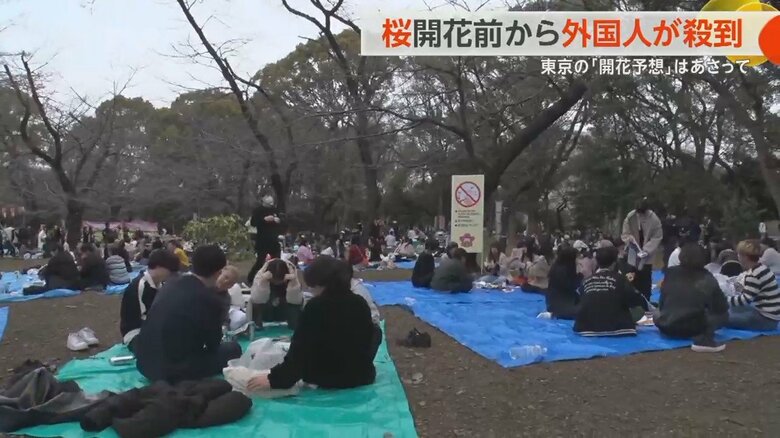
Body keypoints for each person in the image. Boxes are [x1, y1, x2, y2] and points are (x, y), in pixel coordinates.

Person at [246, 256, 377, 391]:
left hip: (328, 378)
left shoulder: (316, 307)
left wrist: (274, 380)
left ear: (321, 284)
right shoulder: (359, 302)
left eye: (312, 286)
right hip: (362, 375)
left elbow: (299, 353)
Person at [135, 245, 242, 383]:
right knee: (233, 349)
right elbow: (213, 344)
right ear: (218, 272)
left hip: (144, 364)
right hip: (171, 372)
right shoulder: (210, 300)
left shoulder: (170, 284)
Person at [654, 243, 729, 352]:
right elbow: (721, 307)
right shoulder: (707, 277)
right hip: (694, 328)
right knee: (723, 315)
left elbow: (662, 302)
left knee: (656, 313)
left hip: (666, 325)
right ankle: (706, 339)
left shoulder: (670, 273)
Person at [574, 246, 647, 337]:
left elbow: (580, 300)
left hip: (585, 327)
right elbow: (635, 300)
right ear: (614, 263)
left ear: (597, 261)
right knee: (638, 310)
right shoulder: (620, 279)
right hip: (619, 326)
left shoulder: (586, 281)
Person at [120, 249, 181, 350]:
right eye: (170, 270)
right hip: (135, 332)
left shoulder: (160, 284)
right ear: (158, 267)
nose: (171, 274)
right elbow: (144, 319)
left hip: (152, 329)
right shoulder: (140, 285)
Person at [725, 240, 780, 331]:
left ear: (745, 257)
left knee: (723, 318)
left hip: (766, 320)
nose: (738, 257)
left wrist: (722, 299)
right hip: (771, 316)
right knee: (732, 310)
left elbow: (744, 300)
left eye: (739, 254)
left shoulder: (753, 274)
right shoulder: (762, 268)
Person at [621, 197, 663, 300]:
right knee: (631, 280)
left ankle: (645, 304)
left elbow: (657, 236)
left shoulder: (654, 219)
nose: (640, 215)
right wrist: (629, 240)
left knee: (645, 282)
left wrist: (646, 250)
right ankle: (631, 302)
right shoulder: (630, 217)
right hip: (632, 254)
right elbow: (625, 233)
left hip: (646, 256)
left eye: (642, 213)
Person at [250, 258, 303, 330]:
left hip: (285, 308)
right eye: (274, 281)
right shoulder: (261, 274)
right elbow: (256, 299)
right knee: (256, 304)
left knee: (294, 306)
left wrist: (293, 285)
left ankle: (293, 326)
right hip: (267, 308)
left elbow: (297, 301)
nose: (277, 283)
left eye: (279, 281)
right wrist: (263, 283)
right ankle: (258, 327)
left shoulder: (292, 273)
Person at [248, 195, 283, 284]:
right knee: (260, 261)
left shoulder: (275, 210)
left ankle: (276, 279)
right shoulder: (258, 211)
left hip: (274, 239)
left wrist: (278, 220)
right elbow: (253, 223)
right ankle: (251, 278)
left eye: (272, 203)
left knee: (277, 261)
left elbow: (281, 221)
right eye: (269, 204)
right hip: (262, 240)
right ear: (263, 202)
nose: (271, 205)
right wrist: (264, 219)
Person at [543, 245, 582, 320]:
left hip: (559, 298)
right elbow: (572, 286)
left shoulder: (558, 267)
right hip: (561, 301)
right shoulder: (562, 271)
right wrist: (581, 275)